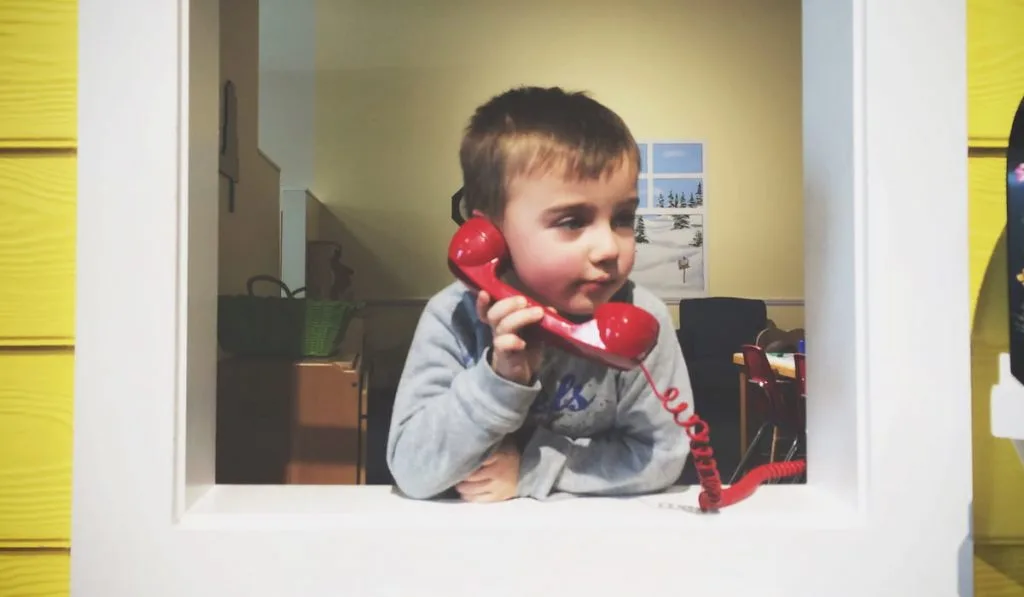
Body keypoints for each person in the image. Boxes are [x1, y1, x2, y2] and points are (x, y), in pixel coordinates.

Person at [386, 85, 694, 503]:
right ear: (491, 233)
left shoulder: (640, 318)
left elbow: (664, 455)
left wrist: (533, 470)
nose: (608, 248)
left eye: (622, 218)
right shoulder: (454, 317)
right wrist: (499, 379)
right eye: (572, 221)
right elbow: (412, 469)